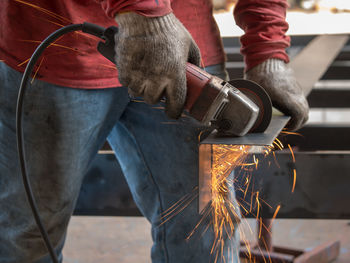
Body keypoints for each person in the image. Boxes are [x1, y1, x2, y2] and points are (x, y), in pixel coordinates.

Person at [0, 0, 308, 262]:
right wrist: (144, 11)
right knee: (27, 233)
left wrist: (268, 52)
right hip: (55, 47)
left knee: (207, 228)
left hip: (185, 50)